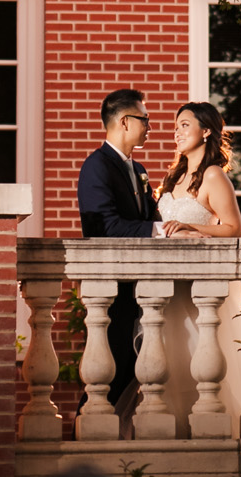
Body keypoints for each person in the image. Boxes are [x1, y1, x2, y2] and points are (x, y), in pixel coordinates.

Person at [76, 89, 163, 417]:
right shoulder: (96, 167)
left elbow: (151, 216)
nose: (150, 127)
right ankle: (79, 445)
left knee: (133, 376)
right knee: (108, 380)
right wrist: (159, 232)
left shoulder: (139, 169)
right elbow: (106, 229)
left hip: (143, 291)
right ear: (125, 122)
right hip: (112, 292)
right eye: (145, 119)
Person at [153, 101, 241, 240]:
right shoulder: (174, 176)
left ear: (206, 131)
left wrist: (190, 227)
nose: (178, 133)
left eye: (185, 125)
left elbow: (235, 229)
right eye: (176, 128)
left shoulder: (213, 175)